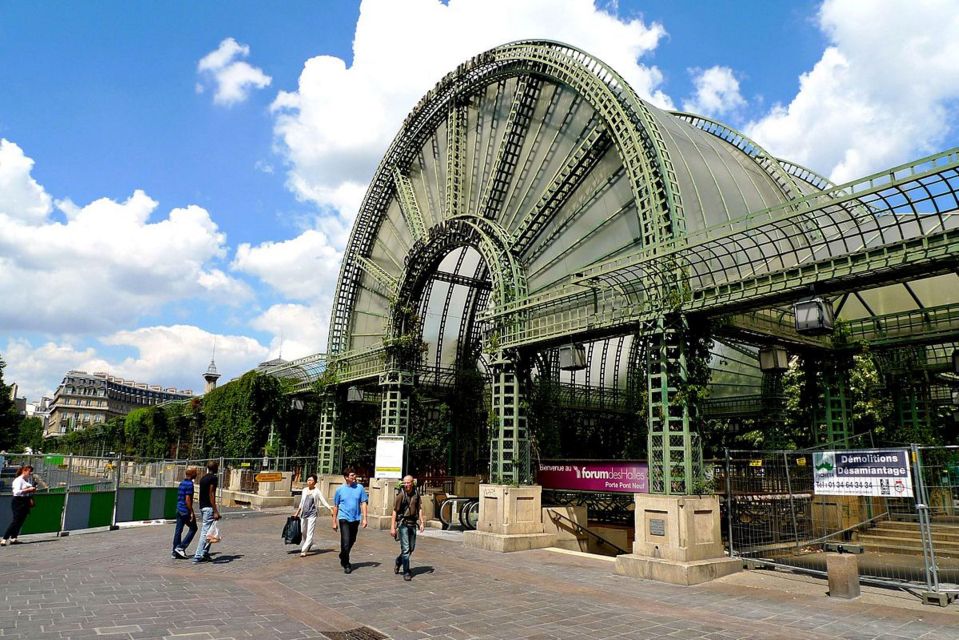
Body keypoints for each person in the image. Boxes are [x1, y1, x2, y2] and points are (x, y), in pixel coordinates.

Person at [331, 468, 368, 573]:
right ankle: (346, 563)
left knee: (352, 540)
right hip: (344, 518)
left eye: (354, 475)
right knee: (345, 541)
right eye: (352, 475)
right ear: (346, 477)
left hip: (355, 518)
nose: (354, 477)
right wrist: (334, 521)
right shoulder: (340, 490)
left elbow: (364, 503)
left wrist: (365, 518)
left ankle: (343, 554)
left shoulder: (360, 488)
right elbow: (336, 506)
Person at [390, 474, 425, 582]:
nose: (406, 485)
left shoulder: (416, 494)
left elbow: (419, 508)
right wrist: (392, 527)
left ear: (412, 483)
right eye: (404, 483)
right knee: (405, 549)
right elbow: (395, 511)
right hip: (403, 524)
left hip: (413, 524)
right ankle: (406, 571)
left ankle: (398, 561)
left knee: (411, 548)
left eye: (408, 482)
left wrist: (422, 522)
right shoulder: (401, 495)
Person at [293, 474, 330, 557]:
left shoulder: (317, 491)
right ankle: (309, 543)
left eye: (311, 480)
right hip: (303, 513)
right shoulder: (304, 490)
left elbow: (323, 501)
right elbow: (302, 503)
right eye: (308, 480)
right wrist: (297, 512)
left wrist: (330, 508)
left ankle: (304, 550)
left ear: (315, 482)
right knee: (303, 531)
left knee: (310, 532)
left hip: (312, 514)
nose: (309, 481)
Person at [192, 460, 221, 564]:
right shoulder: (213, 478)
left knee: (210, 532)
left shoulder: (203, 478)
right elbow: (211, 494)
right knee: (205, 532)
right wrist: (215, 510)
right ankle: (198, 555)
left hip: (202, 506)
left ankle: (205, 553)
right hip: (209, 507)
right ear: (215, 468)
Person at [2, 465, 38, 545]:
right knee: (16, 521)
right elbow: (16, 492)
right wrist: (28, 489)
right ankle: (4, 538)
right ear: (24, 471)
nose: (30, 474)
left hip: (25, 500)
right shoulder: (18, 480)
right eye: (29, 472)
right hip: (18, 501)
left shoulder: (26, 480)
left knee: (21, 520)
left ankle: (14, 538)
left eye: (31, 472)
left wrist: (32, 489)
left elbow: (28, 488)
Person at [171, 466, 198, 559]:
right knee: (194, 528)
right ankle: (181, 547)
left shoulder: (182, 483)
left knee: (178, 530)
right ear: (192, 474)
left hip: (179, 509)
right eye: (195, 472)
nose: (197, 474)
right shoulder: (190, 484)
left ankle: (175, 551)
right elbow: (188, 499)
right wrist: (191, 512)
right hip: (184, 510)